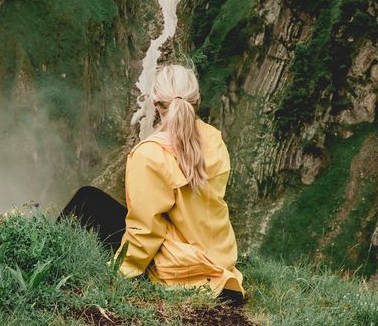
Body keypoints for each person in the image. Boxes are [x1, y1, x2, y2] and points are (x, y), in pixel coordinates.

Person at [58, 62, 245, 305]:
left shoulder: (151, 154)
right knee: (89, 197)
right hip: (218, 259)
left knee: (86, 204)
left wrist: (118, 273)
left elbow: (145, 230)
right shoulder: (214, 139)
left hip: (183, 269)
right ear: (196, 100)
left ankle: (51, 264)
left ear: (156, 103)